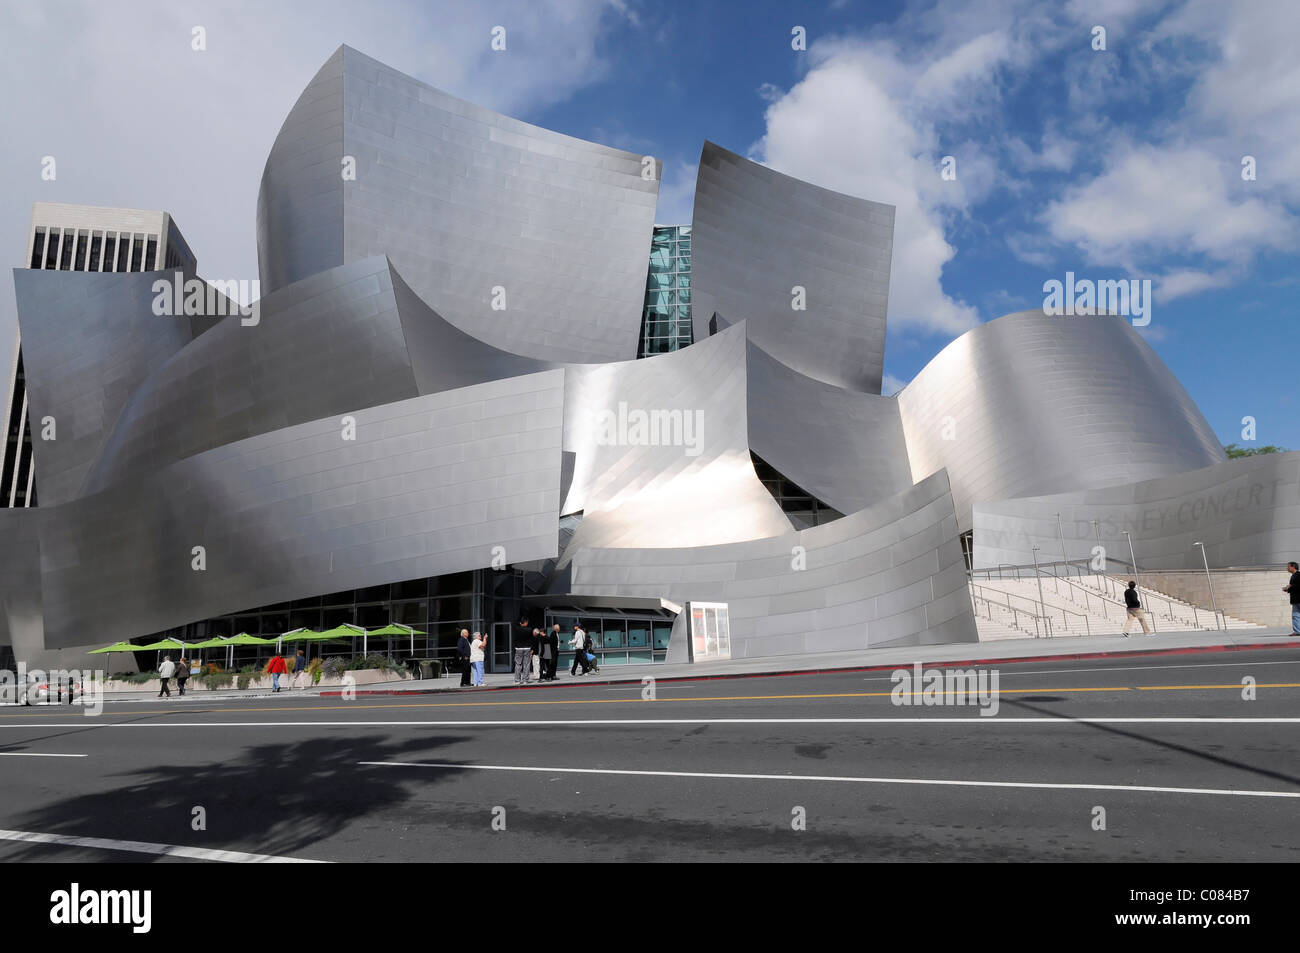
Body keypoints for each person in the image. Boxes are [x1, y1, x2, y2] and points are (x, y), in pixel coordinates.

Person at [1285, 561, 1300, 636]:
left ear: (1293, 567)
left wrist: (1289, 588)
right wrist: (1288, 588)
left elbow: (1298, 587)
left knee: (1296, 615)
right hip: (1295, 600)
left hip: (1298, 599)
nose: (1287, 568)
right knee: (1295, 616)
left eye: (1288, 566)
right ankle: (1297, 631)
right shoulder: (1294, 576)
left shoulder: (1298, 575)